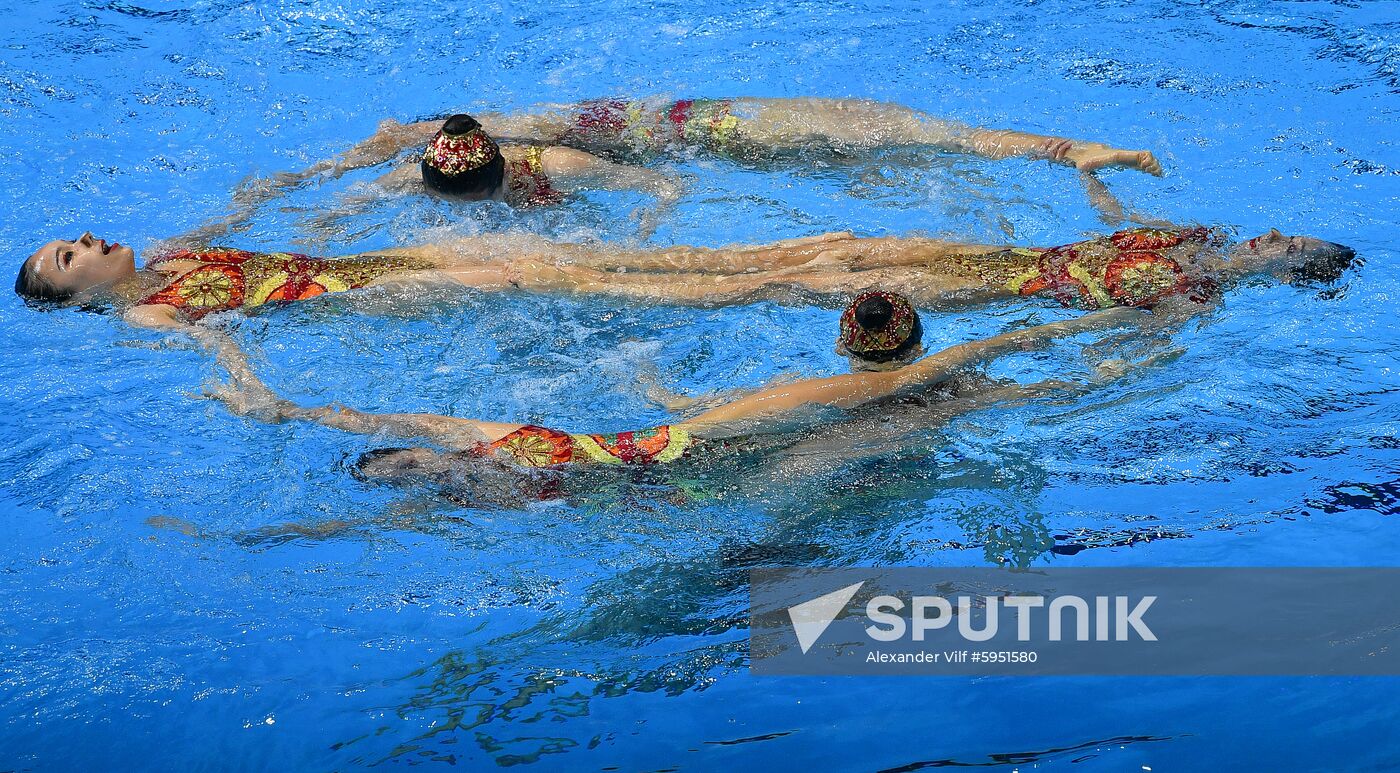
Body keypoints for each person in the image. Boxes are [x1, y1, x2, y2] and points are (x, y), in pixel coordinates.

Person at [207, 295, 1142, 505]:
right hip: (650, 456)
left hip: (631, 448)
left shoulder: (500, 439)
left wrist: (272, 402)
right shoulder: (904, 393)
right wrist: (1062, 340)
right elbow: (1002, 367)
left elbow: (385, 418)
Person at [218, 96, 1164, 239]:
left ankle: (1062, 149)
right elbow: (369, 156)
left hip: (705, 130)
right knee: (884, 148)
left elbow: (660, 182)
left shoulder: (552, 158)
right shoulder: (428, 154)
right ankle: (1062, 153)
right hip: (662, 127)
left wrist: (648, 220)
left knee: (885, 137)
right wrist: (266, 213)